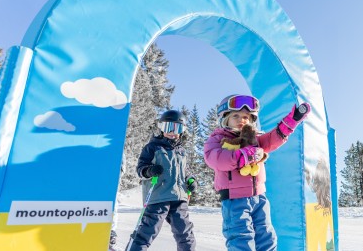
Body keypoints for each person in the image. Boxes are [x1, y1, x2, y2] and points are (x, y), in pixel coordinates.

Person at [204, 94, 311, 251]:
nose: (242, 120)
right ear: (224, 118)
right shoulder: (218, 139)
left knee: (266, 237)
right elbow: (215, 158)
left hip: (259, 198)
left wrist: (292, 120)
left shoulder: (255, 139)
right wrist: (243, 155)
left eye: (247, 117)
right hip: (235, 200)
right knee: (241, 238)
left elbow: (273, 138)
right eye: (236, 116)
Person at [128, 109, 198, 251]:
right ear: (161, 128)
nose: (172, 132)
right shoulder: (152, 147)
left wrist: (191, 180)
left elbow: (186, 171)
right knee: (148, 231)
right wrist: (149, 170)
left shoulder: (182, 151)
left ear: (182, 130)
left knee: (185, 233)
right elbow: (141, 168)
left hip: (179, 199)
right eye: (168, 127)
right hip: (158, 196)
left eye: (177, 128)